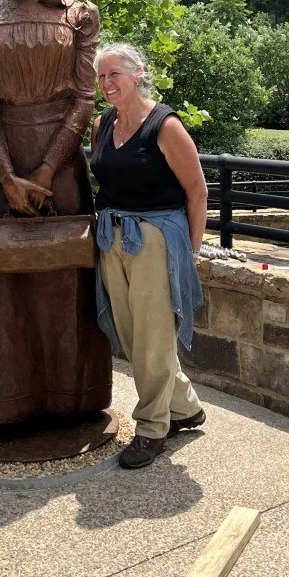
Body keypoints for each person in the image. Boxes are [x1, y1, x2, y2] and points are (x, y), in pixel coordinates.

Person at [0, 0, 112, 451]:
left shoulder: (78, 12)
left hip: (62, 160)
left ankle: (73, 400)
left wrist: (46, 171)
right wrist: (5, 178)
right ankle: (2, 404)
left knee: (63, 279)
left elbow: (83, 97)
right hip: (3, 166)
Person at [90, 44, 208, 469]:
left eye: (114, 74)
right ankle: (187, 406)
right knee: (132, 333)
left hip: (156, 238)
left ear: (139, 73)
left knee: (153, 335)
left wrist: (187, 252)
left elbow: (197, 192)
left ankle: (153, 426)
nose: (106, 84)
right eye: (101, 76)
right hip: (112, 237)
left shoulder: (165, 125)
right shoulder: (102, 124)